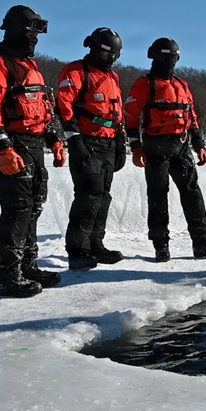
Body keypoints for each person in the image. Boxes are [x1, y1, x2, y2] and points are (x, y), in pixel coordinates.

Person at [0, 5, 66, 298]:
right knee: (16, 211)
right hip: (13, 145)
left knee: (34, 207)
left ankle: (28, 266)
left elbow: (44, 108)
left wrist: (54, 140)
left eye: (37, 34)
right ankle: (9, 275)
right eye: (29, 32)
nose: (34, 39)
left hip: (35, 145)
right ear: (13, 30)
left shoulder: (31, 67)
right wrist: (2, 147)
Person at [123, 37, 206, 262]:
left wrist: (200, 146)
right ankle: (161, 246)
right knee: (158, 197)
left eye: (172, 58)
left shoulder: (182, 85)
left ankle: (202, 243)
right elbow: (130, 117)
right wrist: (136, 147)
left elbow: (192, 118)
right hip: (155, 147)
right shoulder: (144, 84)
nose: (169, 62)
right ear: (154, 57)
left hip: (181, 147)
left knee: (193, 195)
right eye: (165, 58)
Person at [57, 27, 128, 270]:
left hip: (109, 142)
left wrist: (120, 142)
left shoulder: (112, 78)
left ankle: (96, 244)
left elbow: (116, 113)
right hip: (87, 142)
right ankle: (77, 250)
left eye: (116, 56)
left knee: (103, 197)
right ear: (95, 48)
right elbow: (64, 107)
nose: (111, 60)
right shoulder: (76, 71)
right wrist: (74, 141)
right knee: (88, 197)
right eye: (108, 54)